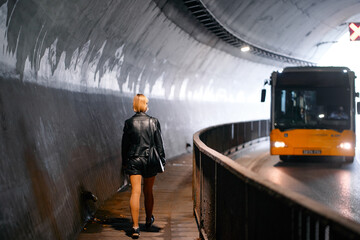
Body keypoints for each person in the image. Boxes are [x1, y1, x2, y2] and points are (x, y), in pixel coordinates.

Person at [121, 94, 166, 238]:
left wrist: (124, 162)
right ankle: (148, 220)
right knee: (148, 190)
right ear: (145, 104)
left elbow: (125, 145)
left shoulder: (129, 123)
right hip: (149, 160)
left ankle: (135, 227)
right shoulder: (154, 122)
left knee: (135, 192)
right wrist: (162, 161)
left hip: (134, 159)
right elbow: (159, 144)